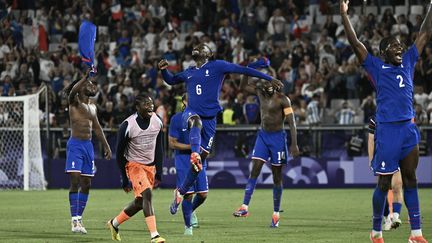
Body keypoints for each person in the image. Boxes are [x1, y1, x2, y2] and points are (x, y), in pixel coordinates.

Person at [340, 0, 430, 242]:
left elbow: (424, 34)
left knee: (411, 179)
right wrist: (343, 15)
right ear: (383, 53)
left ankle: (416, 233)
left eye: (400, 45)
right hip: (388, 132)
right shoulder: (376, 66)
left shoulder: (410, 60)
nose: (399, 48)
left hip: (408, 129)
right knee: (384, 184)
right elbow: (355, 42)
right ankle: (376, 231)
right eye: (393, 46)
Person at [158, 43, 282, 214]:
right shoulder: (189, 71)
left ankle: (180, 192)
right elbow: (171, 80)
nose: (198, 48)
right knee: (195, 122)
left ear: (209, 54)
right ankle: (194, 153)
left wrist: (269, 78)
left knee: (198, 165)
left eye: (202, 47)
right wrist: (164, 70)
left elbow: (244, 70)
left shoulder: (218, 66)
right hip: (192, 113)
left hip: (210, 120)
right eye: (197, 46)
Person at [232, 58, 300, 227]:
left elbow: (292, 122)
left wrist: (294, 144)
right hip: (263, 136)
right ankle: (245, 206)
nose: (267, 85)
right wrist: (250, 67)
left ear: (276, 85)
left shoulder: (283, 100)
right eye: (265, 81)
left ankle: (276, 214)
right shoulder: (260, 92)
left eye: (270, 82)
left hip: (278, 138)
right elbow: (242, 86)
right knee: (254, 169)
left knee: (277, 177)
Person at [106, 94, 165, 243]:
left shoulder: (157, 121)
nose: (150, 106)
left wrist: (159, 170)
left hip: (150, 166)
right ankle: (154, 235)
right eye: (146, 104)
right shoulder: (128, 125)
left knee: (140, 202)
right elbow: (119, 154)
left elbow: (159, 147)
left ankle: (114, 224)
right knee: (147, 195)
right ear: (137, 107)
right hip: (134, 165)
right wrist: (124, 178)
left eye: (151, 103)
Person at [63, 70, 112, 234]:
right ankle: (74, 220)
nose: (93, 86)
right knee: (75, 180)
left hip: (88, 146)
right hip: (75, 145)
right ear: (82, 87)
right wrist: (84, 77)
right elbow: (71, 93)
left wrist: (106, 146)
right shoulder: (74, 103)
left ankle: (79, 219)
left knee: (86, 183)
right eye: (89, 84)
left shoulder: (93, 107)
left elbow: (97, 128)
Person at [169, 93, 208, 236]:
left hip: (199, 158)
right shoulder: (176, 119)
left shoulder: (201, 117)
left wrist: (198, 150)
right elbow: (172, 143)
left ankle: (190, 211)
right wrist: (192, 147)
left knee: (203, 194)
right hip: (183, 159)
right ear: (184, 102)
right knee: (188, 194)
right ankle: (188, 227)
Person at [367, 116, 403, 231]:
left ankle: (396, 217)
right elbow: (371, 140)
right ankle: (387, 217)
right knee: (383, 187)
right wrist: (371, 159)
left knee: (397, 185)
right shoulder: (375, 119)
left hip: (397, 155)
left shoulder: (399, 116)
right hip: (381, 157)